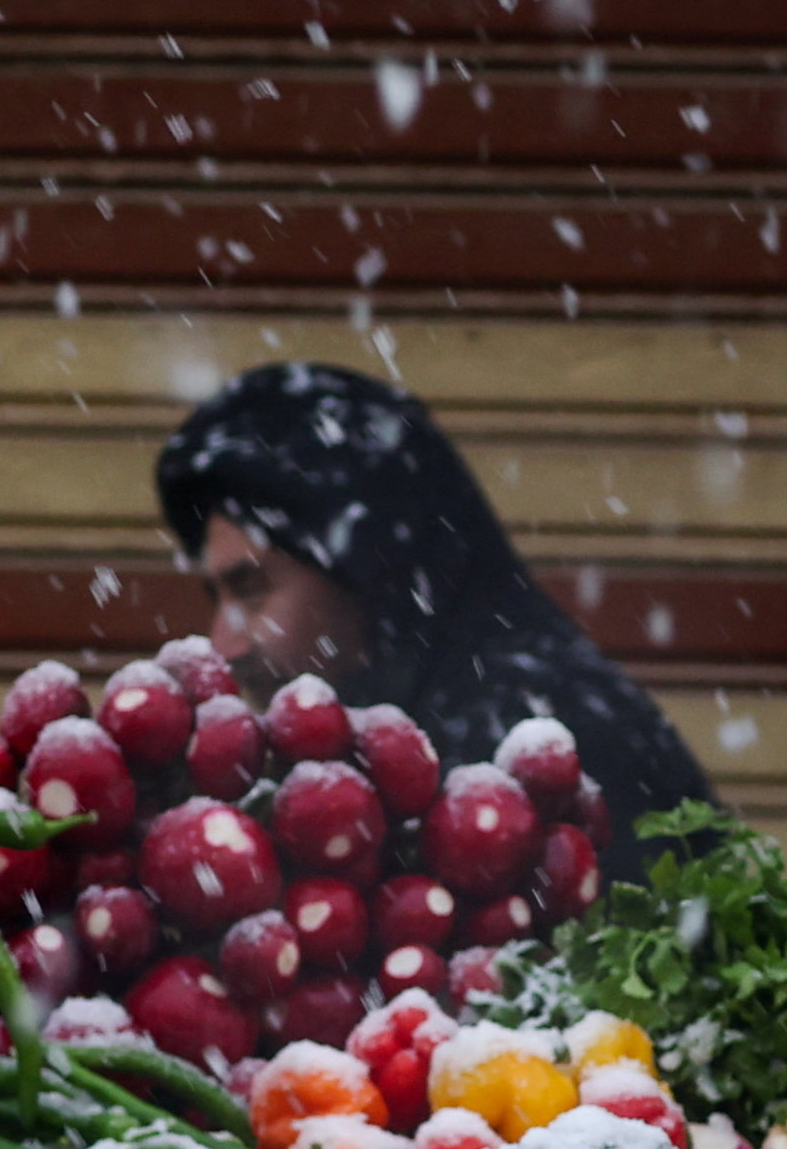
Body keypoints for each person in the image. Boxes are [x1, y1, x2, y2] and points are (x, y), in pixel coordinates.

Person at [152, 363, 710, 858]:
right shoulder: (401, 740)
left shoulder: (534, 744)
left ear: (365, 567)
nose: (224, 645)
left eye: (251, 590)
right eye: (214, 597)